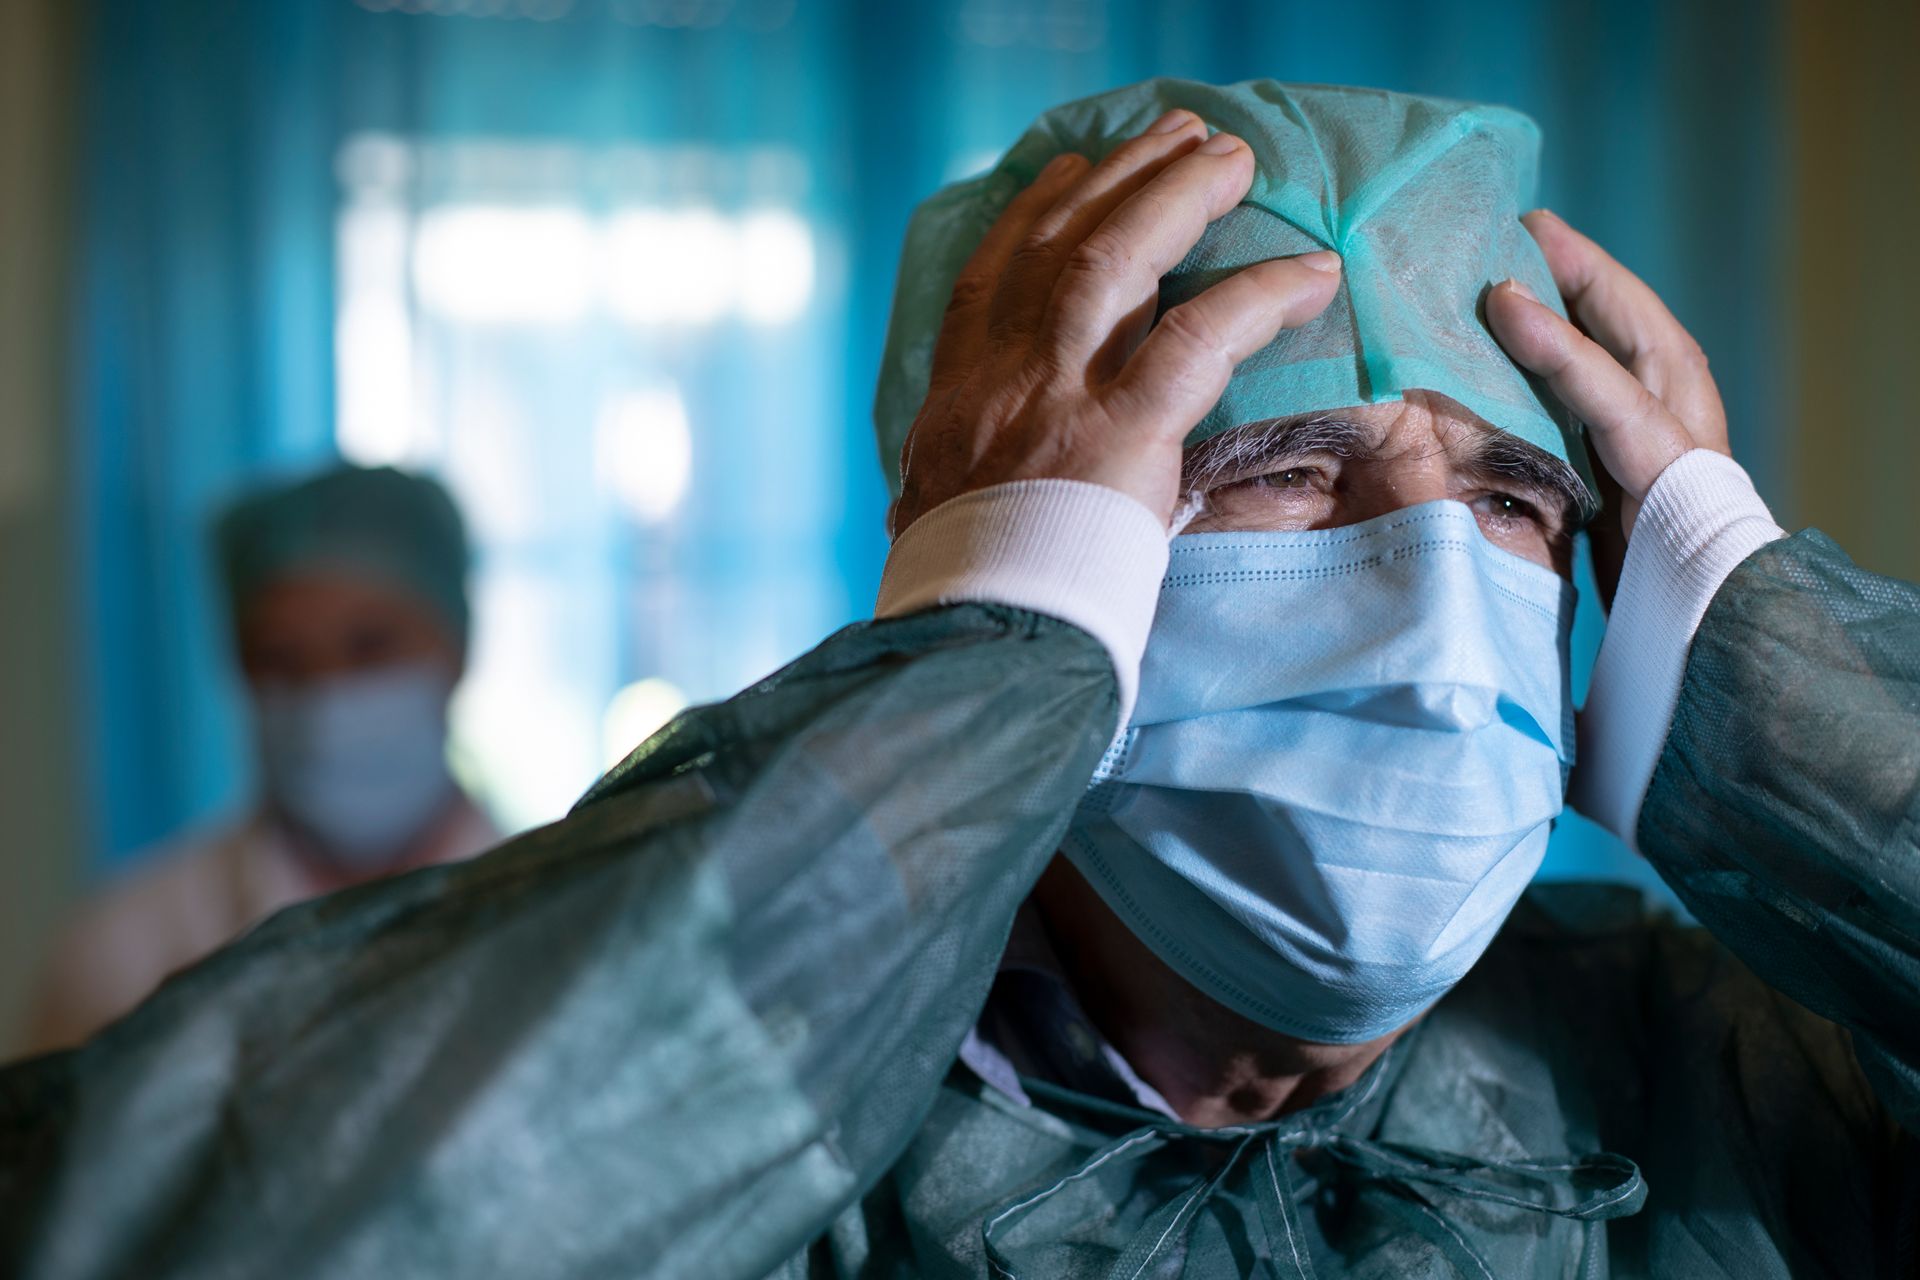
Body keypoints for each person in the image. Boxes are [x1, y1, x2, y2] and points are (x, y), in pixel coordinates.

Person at [2, 80, 1915, 1278]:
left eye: (1516, 497)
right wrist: (990, 649)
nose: (1428, 574)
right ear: (1052, 545)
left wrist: (1779, 672)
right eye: (1282, 473)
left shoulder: (1714, 1077)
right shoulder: (815, 1148)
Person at [23, 464, 500, 1056]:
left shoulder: (566, 912)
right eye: (279, 657)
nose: (326, 694)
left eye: (369, 645)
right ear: (236, 668)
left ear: (457, 648)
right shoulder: (119, 957)